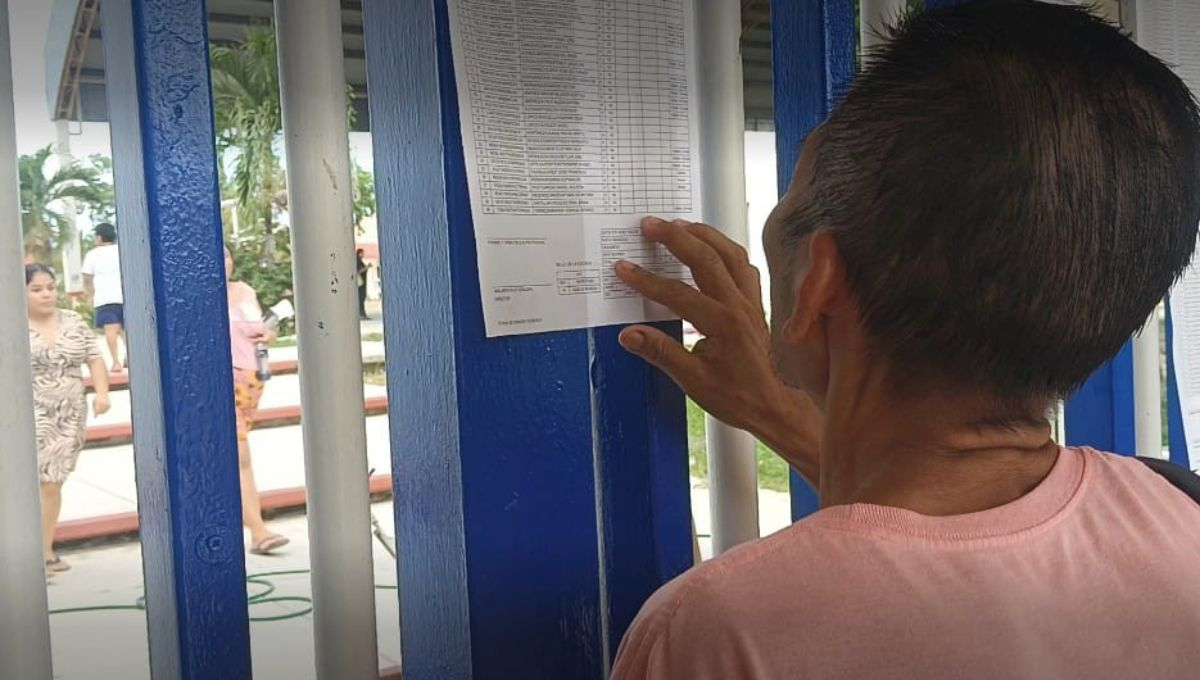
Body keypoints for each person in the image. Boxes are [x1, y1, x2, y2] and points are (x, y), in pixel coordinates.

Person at [610, 2, 1200, 678]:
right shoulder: (1183, 514)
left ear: (818, 284)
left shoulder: (717, 631)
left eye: (792, 193)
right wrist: (782, 404)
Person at [26, 263, 111, 575]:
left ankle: (45, 550)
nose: (46, 294)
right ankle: (33, 552)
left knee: (52, 481)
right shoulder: (10, 324)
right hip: (29, 411)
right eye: (36, 289)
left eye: (49, 287)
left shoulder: (73, 320)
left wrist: (102, 394)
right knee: (33, 481)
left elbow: (94, 357)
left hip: (69, 412)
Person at [225, 246, 289, 555]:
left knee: (237, 458)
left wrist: (269, 335)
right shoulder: (202, 296)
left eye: (226, 255)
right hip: (226, 383)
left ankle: (251, 526)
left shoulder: (245, 290)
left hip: (252, 383)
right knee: (240, 457)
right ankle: (258, 530)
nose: (223, 261)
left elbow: (263, 328)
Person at [81, 222, 125, 373]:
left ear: (99, 237)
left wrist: (89, 294)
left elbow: (87, 277)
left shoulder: (93, 254)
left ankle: (116, 361)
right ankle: (130, 358)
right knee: (127, 329)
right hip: (125, 296)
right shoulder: (122, 250)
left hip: (105, 297)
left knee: (110, 330)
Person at [357, 248, 370, 320]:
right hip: (360, 283)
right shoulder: (357, 262)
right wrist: (366, 268)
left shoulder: (361, 262)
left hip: (363, 282)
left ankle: (363, 314)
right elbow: (358, 271)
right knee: (361, 297)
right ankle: (361, 314)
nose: (363, 255)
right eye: (362, 253)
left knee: (363, 297)